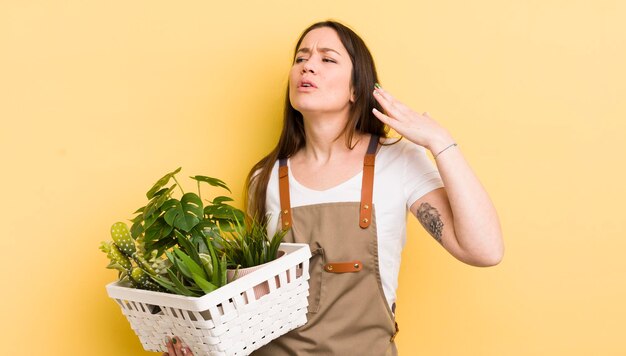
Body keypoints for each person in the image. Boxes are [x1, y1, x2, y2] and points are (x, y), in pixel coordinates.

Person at [164, 19, 503, 356]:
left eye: (327, 59)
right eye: (301, 58)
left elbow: (485, 250)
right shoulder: (264, 178)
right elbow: (254, 302)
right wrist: (201, 343)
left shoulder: (397, 161)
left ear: (357, 88)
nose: (308, 66)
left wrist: (439, 141)